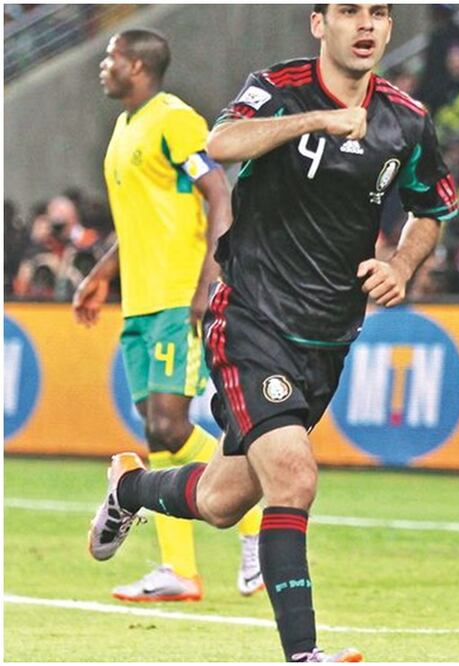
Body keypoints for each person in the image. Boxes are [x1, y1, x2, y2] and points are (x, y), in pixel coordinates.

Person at [87, 4, 456, 662]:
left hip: (327, 335)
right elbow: (221, 144)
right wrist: (318, 120)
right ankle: (302, 654)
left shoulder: (406, 120)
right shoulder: (279, 86)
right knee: (293, 477)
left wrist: (400, 263)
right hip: (251, 315)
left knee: (226, 499)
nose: (365, 24)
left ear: (390, 28)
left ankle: (129, 489)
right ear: (320, 23)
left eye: (378, 13)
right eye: (348, 11)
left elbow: (430, 209)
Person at [74, 28, 264, 602]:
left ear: (136, 65)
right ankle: (178, 569)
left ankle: (257, 515)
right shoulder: (123, 130)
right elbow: (139, 225)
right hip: (140, 303)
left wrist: (211, 278)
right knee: (163, 435)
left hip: (178, 294)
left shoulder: (174, 119)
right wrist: (101, 274)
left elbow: (219, 193)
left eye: (110, 59)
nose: (103, 67)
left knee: (167, 424)